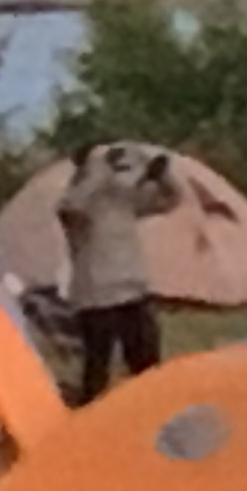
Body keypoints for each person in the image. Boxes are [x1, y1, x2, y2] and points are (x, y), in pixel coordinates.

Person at [54, 140, 186, 404]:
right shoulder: (76, 200)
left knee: (146, 362)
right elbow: (72, 207)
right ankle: (92, 415)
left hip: (133, 289)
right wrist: (98, 168)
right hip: (97, 295)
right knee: (97, 365)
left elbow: (172, 200)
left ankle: (151, 405)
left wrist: (160, 174)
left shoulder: (123, 200)